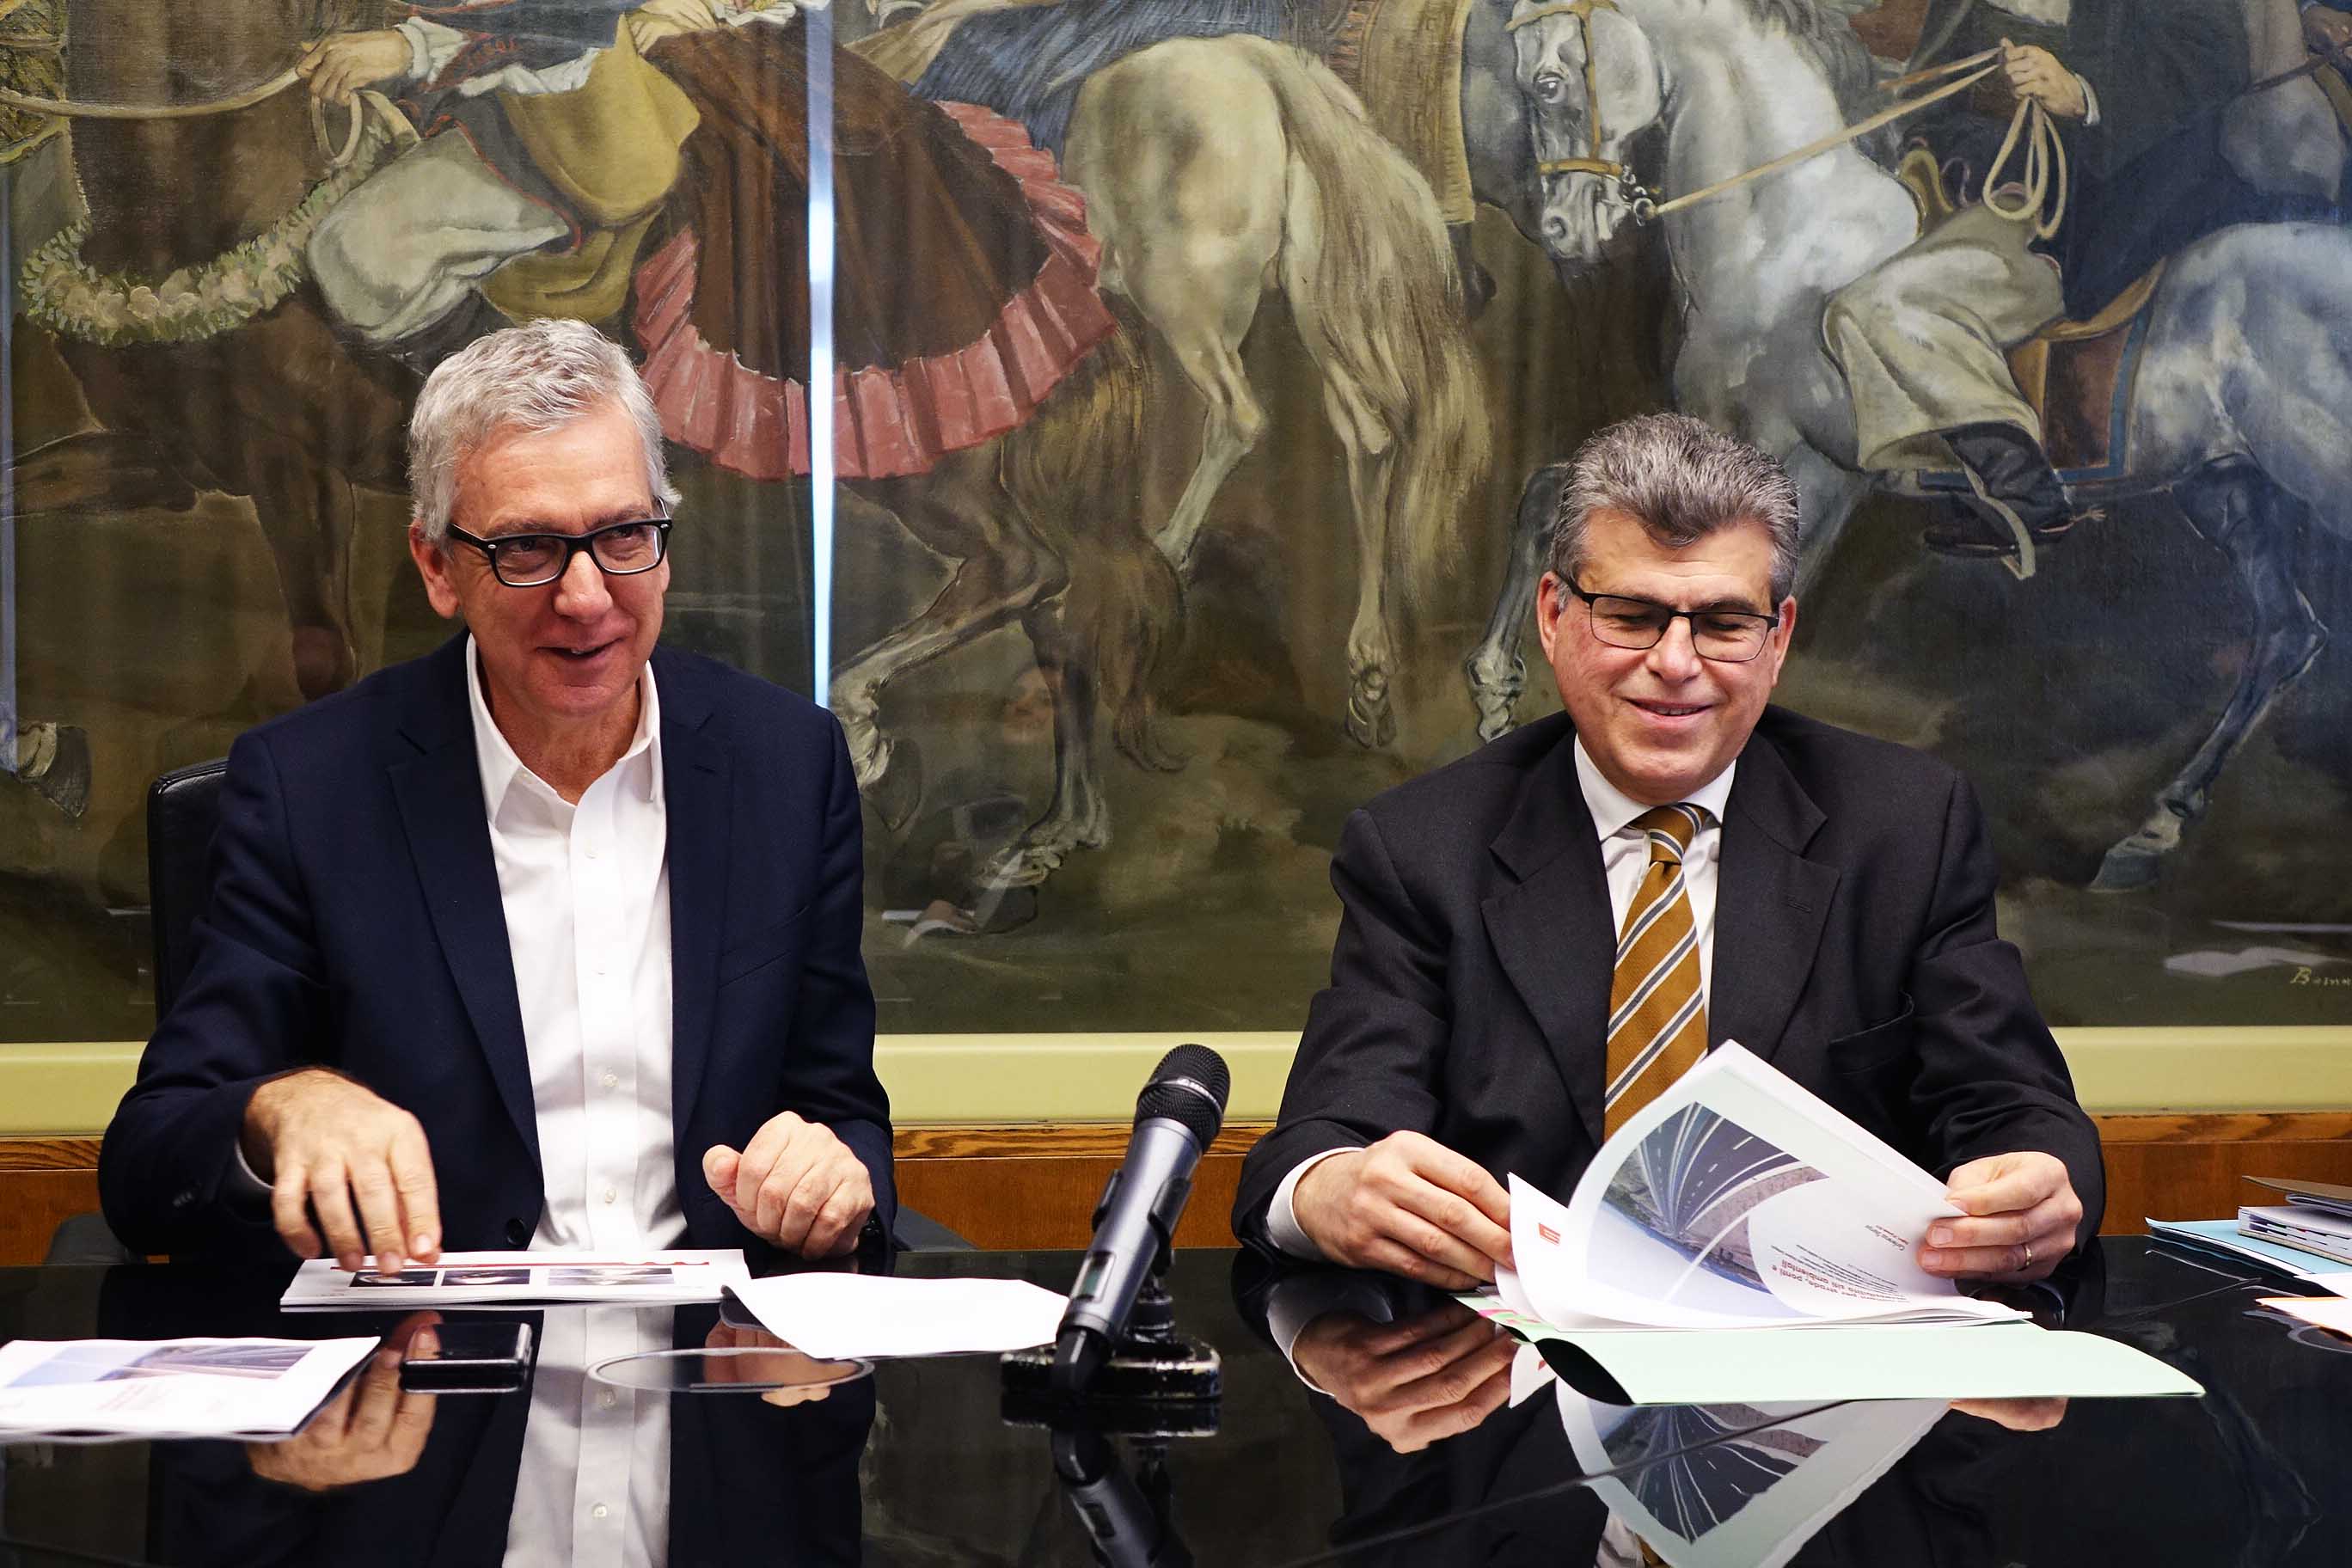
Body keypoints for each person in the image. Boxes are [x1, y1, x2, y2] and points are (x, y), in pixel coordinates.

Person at [1232, 413, 2102, 1292]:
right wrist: (1328, 1191)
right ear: (1552, 616)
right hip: (1512, 1355)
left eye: (1723, 622)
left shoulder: (1906, 827)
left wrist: (2036, 1185)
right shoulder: (1421, 849)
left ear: (1777, 639)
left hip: (1821, 1349)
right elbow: (1320, 1143)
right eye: (1633, 616)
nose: (1676, 662)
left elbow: (2015, 1110)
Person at [100, 318, 893, 1272]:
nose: (587, 597)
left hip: (717, 1345)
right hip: (431, 1343)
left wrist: (835, 1179)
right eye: (526, 547)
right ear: (437, 566)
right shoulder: (309, 790)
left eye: (624, 534)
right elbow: (148, 1163)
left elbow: (841, 1108)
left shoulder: (788, 766)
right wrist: (279, 1108)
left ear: (664, 541)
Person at [1822, 0, 2251, 563]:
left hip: (2100, 209)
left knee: (1872, 308)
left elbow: (2217, 59)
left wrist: (2083, 94)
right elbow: (1929, 92)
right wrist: (1936, 147)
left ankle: (2027, 496)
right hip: (1985, 188)